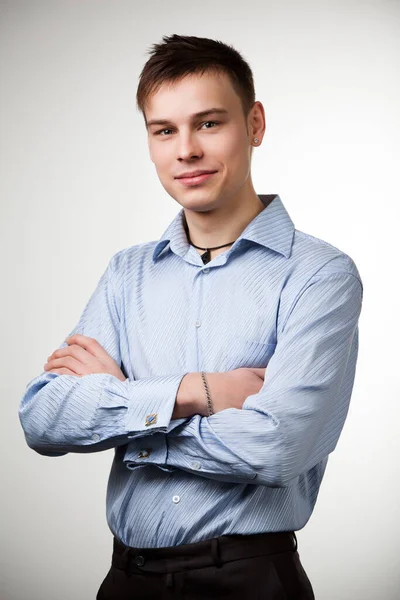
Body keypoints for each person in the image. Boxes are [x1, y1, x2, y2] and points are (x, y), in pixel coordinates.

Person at [19, 34, 363, 600]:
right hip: (125, 582)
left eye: (208, 123)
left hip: (251, 580)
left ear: (254, 124)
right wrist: (193, 392)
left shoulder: (319, 275)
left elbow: (276, 448)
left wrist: (126, 411)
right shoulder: (127, 273)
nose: (186, 150)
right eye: (164, 131)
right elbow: (44, 418)